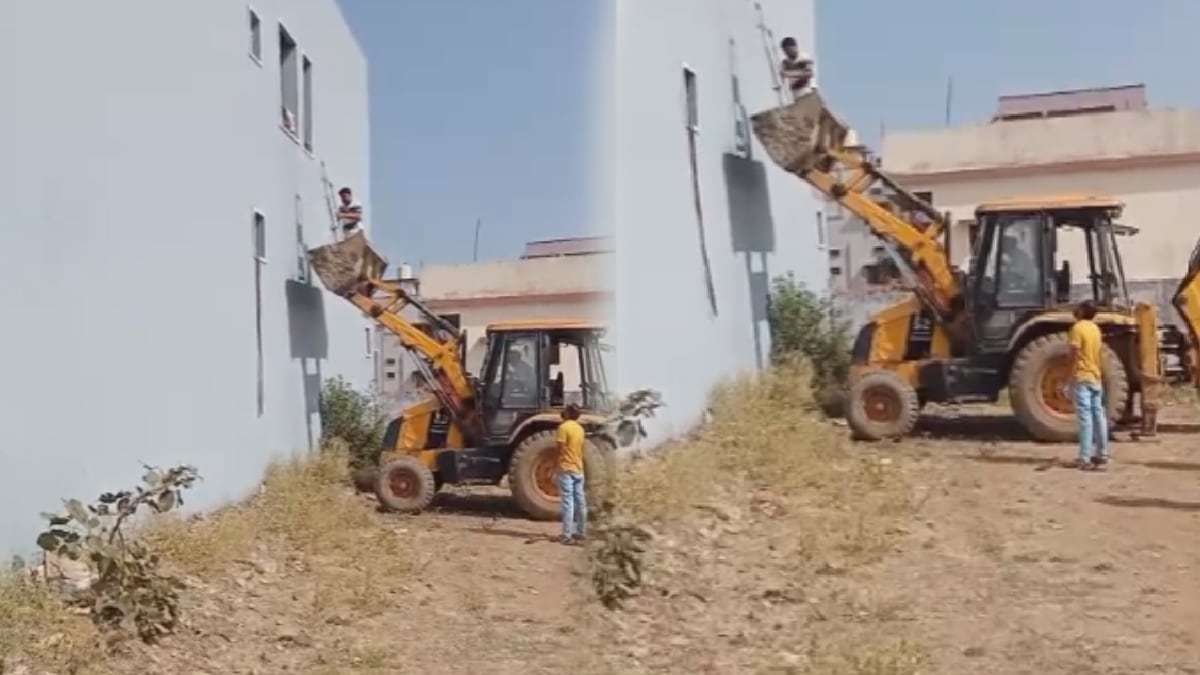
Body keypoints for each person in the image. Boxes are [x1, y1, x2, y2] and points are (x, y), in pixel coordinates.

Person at [1069, 300, 1108, 470]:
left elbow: (1075, 354)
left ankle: (1084, 458)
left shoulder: (1077, 329)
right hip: (1095, 377)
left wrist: (1070, 375)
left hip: (1082, 376)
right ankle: (1102, 454)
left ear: (1082, 311)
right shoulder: (1095, 329)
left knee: (1085, 418)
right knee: (1099, 416)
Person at [555, 403, 587, 545]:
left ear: (568, 413)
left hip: (566, 469)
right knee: (580, 502)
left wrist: (556, 467)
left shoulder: (563, 427)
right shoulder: (580, 429)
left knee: (568, 503)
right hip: (578, 469)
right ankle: (581, 532)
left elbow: (560, 449)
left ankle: (566, 535)